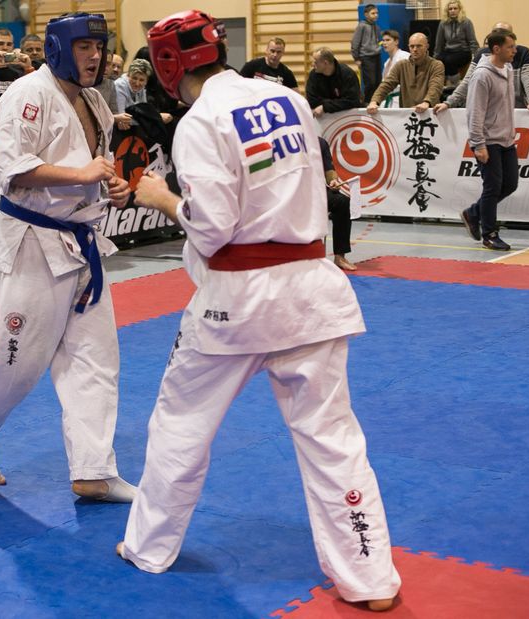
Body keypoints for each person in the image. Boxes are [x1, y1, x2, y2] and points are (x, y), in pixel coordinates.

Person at [118, 10, 401, 612]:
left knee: (180, 423)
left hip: (237, 300)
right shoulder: (288, 99)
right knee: (333, 438)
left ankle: (147, 547)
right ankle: (371, 578)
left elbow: (212, 227)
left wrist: (160, 196)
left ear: (168, 64)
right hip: (312, 291)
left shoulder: (201, 120)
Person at [0, 12, 136, 503]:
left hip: (80, 246)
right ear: (59, 49)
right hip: (29, 245)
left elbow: (96, 167)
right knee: (18, 363)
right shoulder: (27, 94)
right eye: (84, 47)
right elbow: (12, 169)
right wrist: (82, 175)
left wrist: (112, 187)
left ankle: (93, 470)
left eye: (100, 47)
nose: (95, 57)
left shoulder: (95, 100)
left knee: (96, 358)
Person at [461, 30, 518, 252]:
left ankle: (473, 213)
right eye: (510, 47)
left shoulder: (509, 69)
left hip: (506, 139)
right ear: (496, 49)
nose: (515, 51)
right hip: (488, 140)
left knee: (510, 184)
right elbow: (474, 112)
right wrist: (479, 144)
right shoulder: (482, 76)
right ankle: (490, 234)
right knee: (492, 187)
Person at [434, 24, 529, 114]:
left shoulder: (521, 54)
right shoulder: (481, 61)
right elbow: (467, 82)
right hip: (488, 113)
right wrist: (449, 103)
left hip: (516, 112)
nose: (513, 51)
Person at [366, 33, 444, 113]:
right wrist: (374, 101)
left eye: (419, 46)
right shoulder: (401, 65)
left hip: (430, 112)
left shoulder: (436, 65)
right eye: (412, 46)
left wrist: (427, 102)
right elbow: (387, 84)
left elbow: (435, 86)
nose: (415, 49)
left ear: (427, 46)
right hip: (406, 114)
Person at [320, 138, 356, 270]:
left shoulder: (320, 143)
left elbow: (329, 170)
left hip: (317, 192)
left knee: (342, 202)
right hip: (293, 193)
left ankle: (340, 256)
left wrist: (333, 181)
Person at [306, 47, 361, 117]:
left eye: (315, 62)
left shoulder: (347, 74)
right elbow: (312, 101)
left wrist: (325, 107)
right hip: (322, 119)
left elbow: (352, 101)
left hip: (348, 118)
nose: (312, 64)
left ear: (325, 63)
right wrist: (337, 103)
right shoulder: (313, 75)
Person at [434, 0, 479, 85]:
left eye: (455, 8)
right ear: (447, 11)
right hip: (449, 51)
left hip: (463, 51)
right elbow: (439, 43)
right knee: (439, 60)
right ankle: (444, 84)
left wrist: (475, 57)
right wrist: (435, 57)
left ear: (459, 10)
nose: (453, 11)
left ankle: (455, 84)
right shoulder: (443, 23)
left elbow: (472, 41)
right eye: (450, 9)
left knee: (449, 60)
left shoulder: (466, 22)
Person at [351, 4, 382, 102]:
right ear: (366, 14)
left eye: (377, 13)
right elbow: (355, 42)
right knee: (370, 82)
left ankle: (376, 102)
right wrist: (356, 58)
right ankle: (367, 101)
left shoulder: (376, 27)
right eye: (373, 13)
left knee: (378, 81)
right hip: (366, 57)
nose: (376, 15)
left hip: (376, 56)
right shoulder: (361, 26)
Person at [379, 30, 410, 108]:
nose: (384, 43)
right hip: (388, 100)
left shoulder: (404, 57)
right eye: (383, 40)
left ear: (396, 42)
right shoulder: (387, 62)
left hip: (400, 100)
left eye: (388, 40)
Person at [93, 49, 119, 114]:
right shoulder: (84, 84)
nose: (105, 68)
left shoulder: (111, 84)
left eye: (108, 64)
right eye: (101, 62)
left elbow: (114, 112)